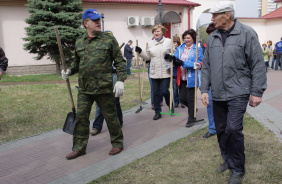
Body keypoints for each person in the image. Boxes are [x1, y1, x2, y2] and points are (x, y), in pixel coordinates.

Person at [200, 2, 267, 184]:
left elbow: (258, 64)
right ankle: (228, 160)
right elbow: (206, 67)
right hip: (218, 93)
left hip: (239, 92)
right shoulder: (213, 37)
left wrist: (257, 91)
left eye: (215, 15)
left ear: (227, 15)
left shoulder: (247, 33)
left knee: (233, 129)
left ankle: (238, 168)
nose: (212, 19)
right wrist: (204, 89)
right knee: (221, 130)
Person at [61, 9, 126, 160]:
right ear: (86, 23)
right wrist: (69, 70)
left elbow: (120, 62)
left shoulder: (108, 39)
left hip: (103, 87)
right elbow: (77, 63)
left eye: (99, 19)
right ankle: (79, 147)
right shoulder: (79, 41)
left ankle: (117, 143)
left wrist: (121, 80)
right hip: (84, 88)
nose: (98, 22)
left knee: (111, 116)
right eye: (94, 20)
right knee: (81, 118)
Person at [166, 29, 203, 128]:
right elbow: (176, 59)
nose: (186, 40)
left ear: (193, 38)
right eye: (185, 38)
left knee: (190, 99)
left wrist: (183, 63)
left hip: (192, 78)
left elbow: (199, 64)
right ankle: (193, 109)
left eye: (188, 38)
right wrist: (172, 59)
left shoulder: (197, 49)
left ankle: (191, 119)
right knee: (183, 98)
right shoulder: (180, 48)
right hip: (181, 77)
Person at [135, 25, 173, 120]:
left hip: (165, 70)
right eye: (154, 31)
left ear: (162, 32)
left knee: (164, 91)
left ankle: (170, 105)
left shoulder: (168, 41)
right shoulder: (150, 43)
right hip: (154, 70)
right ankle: (157, 112)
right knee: (155, 93)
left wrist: (170, 56)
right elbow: (148, 57)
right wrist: (140, 52)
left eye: (158, 31)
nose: (156, 33)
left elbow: (174, 52)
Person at [91, 65, 123, 135]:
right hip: (99, 78)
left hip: (112, 76)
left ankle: (119, 121)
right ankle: (97, 126)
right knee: (99, 103)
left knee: (115, 101)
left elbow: (119, 64)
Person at [203, 22, 217, 138]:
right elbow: (206, 68)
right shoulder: (207, 47)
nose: (210, 37)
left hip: (225, 83)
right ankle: (212, 128)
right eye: (209, 35)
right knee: (210, 104)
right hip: (211, 82)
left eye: (212, 34)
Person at [172, 36, 185, 109]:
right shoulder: (170, 51)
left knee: (181, 88)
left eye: (175, 42)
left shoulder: (180, 50)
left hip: (180, 72)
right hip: (174, 73)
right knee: (174, 89)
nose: (174, 44)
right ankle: (176, 102)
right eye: (173, 42)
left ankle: (182, 102)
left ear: (178, 43)